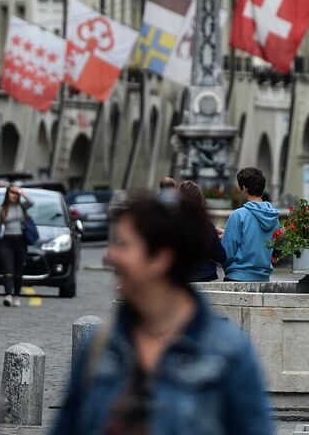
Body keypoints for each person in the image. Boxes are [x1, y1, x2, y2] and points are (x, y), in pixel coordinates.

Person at [52, 186, 273, 435]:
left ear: (160, 259)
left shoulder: (228, 353)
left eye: (123, 244)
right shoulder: (100, 347)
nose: (109, 255)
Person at [223, 166, 282, 282]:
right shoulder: (273, 217)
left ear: (244, 188)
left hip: (237, 276)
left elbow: (227, 252)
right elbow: (276, 247)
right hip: (263, 279)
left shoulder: (238, 215)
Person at [177, 179, 228, 283]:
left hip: (178, 278)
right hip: (202, 275)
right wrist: (215, 240)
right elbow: (221, 256)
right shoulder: (205, 225)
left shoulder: (169, 222)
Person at [0, 184, 35, 307]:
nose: (13, 195)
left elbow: (32, 201)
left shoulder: (22, 206)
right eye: (11, 193)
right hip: (6, 241)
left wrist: (21, 191)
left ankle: (16, 296)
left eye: (15, 193)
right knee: (8, 269)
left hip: (20, 241)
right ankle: (8, 294)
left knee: (18, 270)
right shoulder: (2, 209)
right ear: (7, 194)